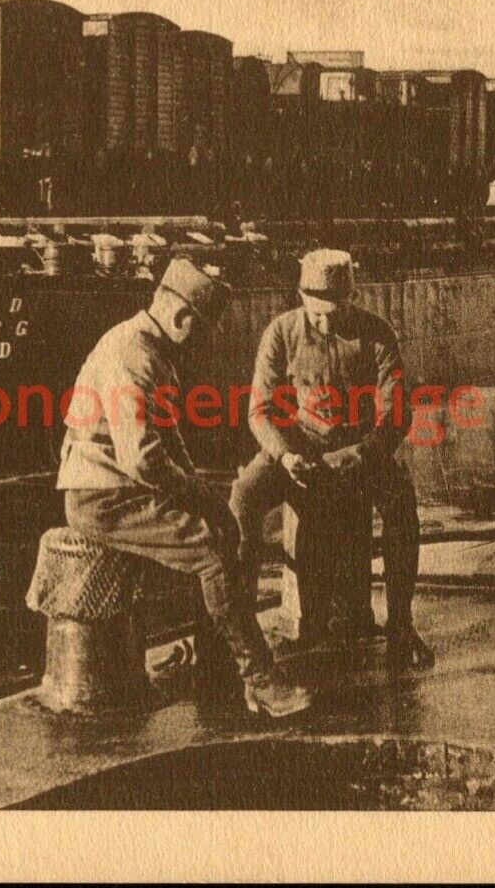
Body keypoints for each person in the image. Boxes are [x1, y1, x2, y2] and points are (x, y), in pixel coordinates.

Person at [56, 258, 313, 717]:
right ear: (180, 318)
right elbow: (144, 457)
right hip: (101, 498)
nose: (204, 340)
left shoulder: (151, 348)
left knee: (225, 530)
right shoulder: (133, 355)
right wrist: (198, 496)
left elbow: (169, 444)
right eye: (202, 328)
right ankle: (261, 679)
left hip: (120, 486)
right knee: (212, 554)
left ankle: (216, 673)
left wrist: (208, 499)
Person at [230, 248, 435, 670]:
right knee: (243, 496)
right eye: (317, 313)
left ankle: (400, 624)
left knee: (401, 502)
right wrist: (284, 454)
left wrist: (364, 452)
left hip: (359, 451)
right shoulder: (281, 332)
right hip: (298, 449)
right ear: (302, 298)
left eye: (335, 313)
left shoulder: (377, 334)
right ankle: (237, 633)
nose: (325, 322)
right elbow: (260, 411)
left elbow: (397, 413)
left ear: (351, 299)